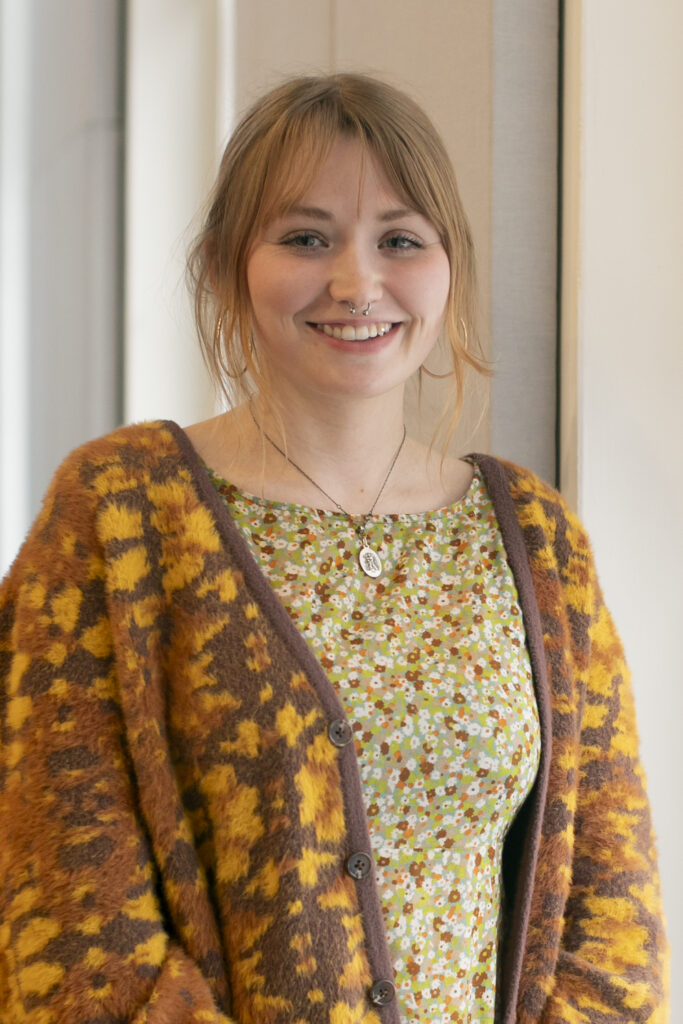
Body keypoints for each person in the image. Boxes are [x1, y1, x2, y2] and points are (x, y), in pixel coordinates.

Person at [0, 74, 668, 1024]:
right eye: (306, 238)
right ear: (228, 261)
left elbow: (614, 920)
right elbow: (66, 911)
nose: (357, 284)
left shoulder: (533, 537)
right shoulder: (117, 516)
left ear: (448, 267)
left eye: (400, 240)